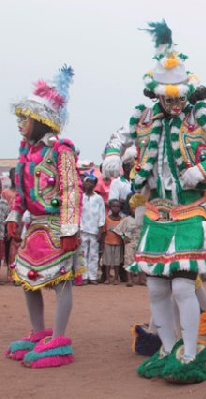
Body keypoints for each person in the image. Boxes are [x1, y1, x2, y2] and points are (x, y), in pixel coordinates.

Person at [102, 21, 206, 384]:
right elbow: (116, 137)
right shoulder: (143, 115)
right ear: (157, 93)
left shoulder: (199, 114)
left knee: (183, 285)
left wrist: (204, 169)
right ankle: (166, 348)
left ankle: (188, 350)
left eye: (179, 95)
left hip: (191, 210)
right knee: (155, 286)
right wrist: (109, 155)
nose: (174, 102)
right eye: (168, 96)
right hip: (155, 212)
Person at [4, 65, 81, 368]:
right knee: (27, 281)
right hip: (33, 227)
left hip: (55, 226)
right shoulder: (26, 151)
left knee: (62, 282)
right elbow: (20, 192)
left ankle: (59, 340)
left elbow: (72, 190)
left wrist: (69, 230)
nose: (20, 123)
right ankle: (39, 334)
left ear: (40, 121)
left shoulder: (60, 150)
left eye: (25, 118)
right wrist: (14, 213)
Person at [79, 170, 105, 285]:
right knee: (83, 253)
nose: (89, 184)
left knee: (94, 254)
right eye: (87, 182)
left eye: (91, 183)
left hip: (94, 230)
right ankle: (84, 276)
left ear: (95, 185)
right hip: (83, 229)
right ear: (83, 184)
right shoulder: (80, 197)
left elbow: (102, 214)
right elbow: (78, 213)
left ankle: (93, 276)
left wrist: (100, 229)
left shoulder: (98, 198)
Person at [113, 193, 142, 287]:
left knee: (141, 261)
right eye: (133, 209)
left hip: (140, 243)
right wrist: (123, 237)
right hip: (129, 244)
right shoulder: (127, 220)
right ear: (130, 209)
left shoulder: (143, 220)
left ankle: (141, 279)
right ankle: (130, 280)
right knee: (129, 260)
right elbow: (118, 230)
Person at [101, 199, 123, 284]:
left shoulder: (122, 220)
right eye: (113, 206)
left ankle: (116, 278)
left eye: (118, 206)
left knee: (117, 261)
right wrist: (102, 243)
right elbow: (103, 232)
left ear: (120, 208)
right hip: (107, 242)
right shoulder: (107, 219)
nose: (115, 208)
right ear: (110, 207)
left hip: (118, 243)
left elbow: (123, 233)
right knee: (107, 261)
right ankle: (107, 278)